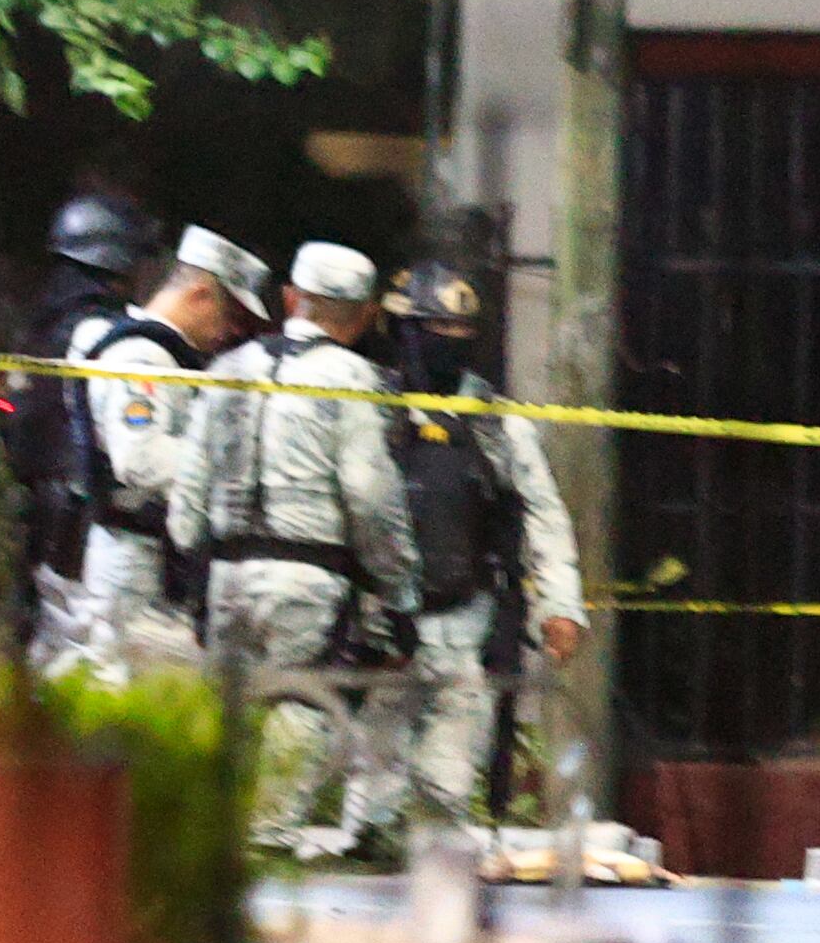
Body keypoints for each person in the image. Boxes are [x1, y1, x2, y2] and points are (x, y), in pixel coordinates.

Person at [182, 241, 421, 855]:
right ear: (366, 314)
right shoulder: (353, 380)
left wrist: (190, 560)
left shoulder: (228, 367)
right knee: (300, 703)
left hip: (225, 572)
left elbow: (191, 479)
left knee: (227, 709)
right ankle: (265, 840)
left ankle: (207, 839)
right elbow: (369, 495)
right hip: (308, 574)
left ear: (291, 298)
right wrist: (397, 588)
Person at [359, 261, 586, 840]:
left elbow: (543, 517)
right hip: (380, 634)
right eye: (436, 336)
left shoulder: (496, 424)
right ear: (403, 333)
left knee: (448, 800)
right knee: (372, 805)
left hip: (464, 628)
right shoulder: (361, 405)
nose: (447, 351)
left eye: (460, 340)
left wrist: (558, 605)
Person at [38, 221, 270, 675]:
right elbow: (139, 460)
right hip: (130, 555)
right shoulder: (142, 357)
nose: (232, 331)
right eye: (233, 315)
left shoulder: (165, 355)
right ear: (201, 293)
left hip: (146, 555)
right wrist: (230, 467)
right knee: (119, 684)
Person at [3, 186, 157, 639]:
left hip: (32, 508)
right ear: (118, 264)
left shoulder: (38, 327)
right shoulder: (104, 334)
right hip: (78, 518)